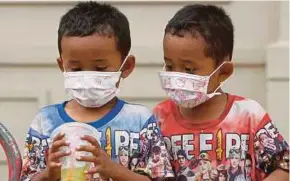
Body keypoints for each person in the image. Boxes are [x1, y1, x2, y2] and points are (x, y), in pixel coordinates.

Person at [20, 2, 174, 181]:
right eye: (76, 69)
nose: (87, 77)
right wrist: (48, 174)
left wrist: (114, 171)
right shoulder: (45, 123)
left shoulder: (139, 121)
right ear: (62, 66)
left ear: (127, 66)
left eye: (100, 68)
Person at [153, 4, 289, 181]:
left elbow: (283, 168)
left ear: (223, 72)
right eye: (170, 67)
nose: (177, 77)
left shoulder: (248, 115)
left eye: (189, 69)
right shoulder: (159, 118)